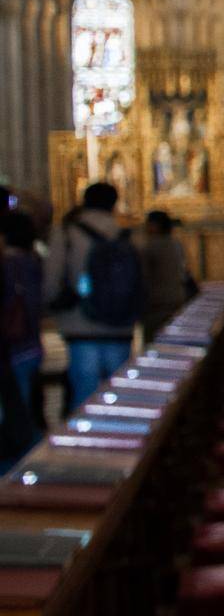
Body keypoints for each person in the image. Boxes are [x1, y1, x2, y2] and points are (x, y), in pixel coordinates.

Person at [44, 182, 142, 409]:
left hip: (80, 324)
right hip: (120, 325)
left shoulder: (67, 233)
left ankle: (86, 443)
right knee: (119, 395)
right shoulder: (126, 234)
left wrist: (53, 306)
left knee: (85, 398)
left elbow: (51, 279)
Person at [0, 210, 43, 462]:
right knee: (22, 406)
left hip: (11, 346)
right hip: (31, 343)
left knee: (14, 412)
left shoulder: (7, 263)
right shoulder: (33, 259)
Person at [138, 210, 195, 336]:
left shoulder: (150, 247)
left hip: (157, 305)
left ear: (154, 226)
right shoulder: (176, 244)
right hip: (177, 299)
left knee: (155, 344)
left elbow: (143, 276)